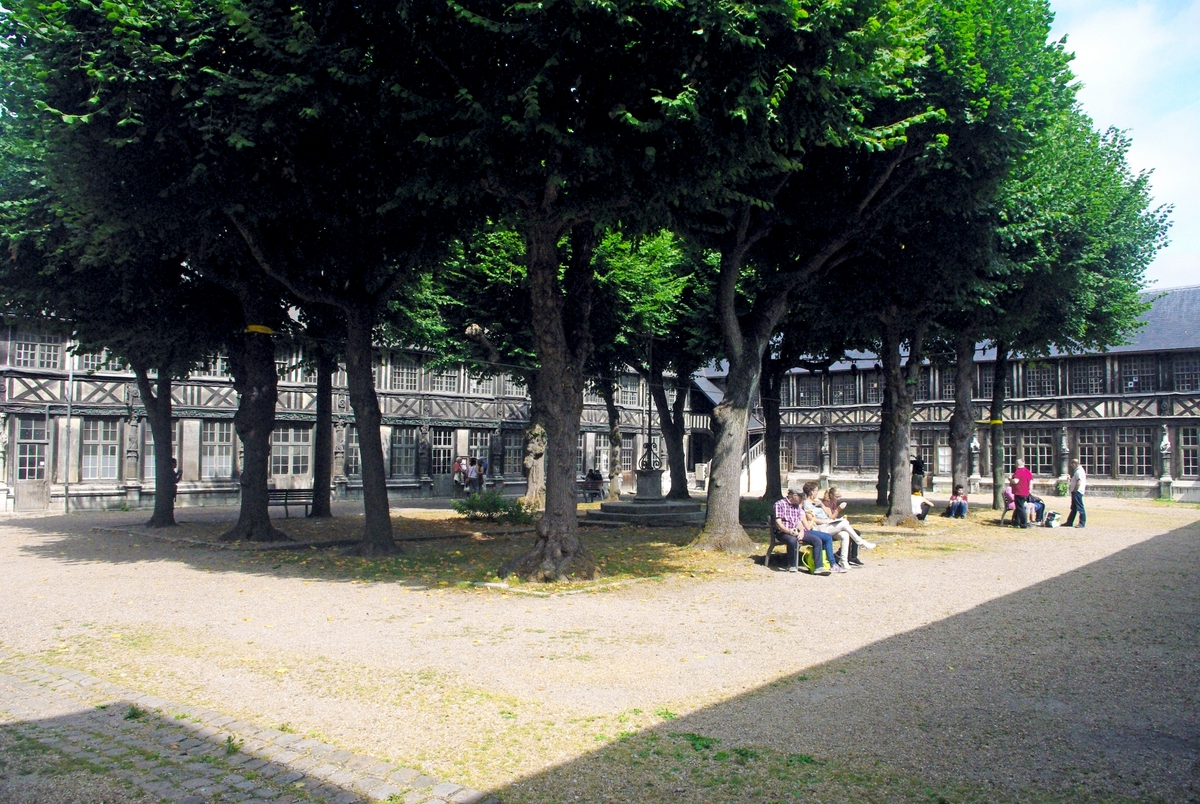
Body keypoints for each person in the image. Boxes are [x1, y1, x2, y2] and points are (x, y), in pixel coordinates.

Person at [803, 481, 874, 570]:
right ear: (811, 492)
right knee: (844, 523)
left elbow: (829, 515)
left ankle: (843, 561)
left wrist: (822, 505)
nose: (817, 492)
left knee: (845, 534)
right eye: (816, 490)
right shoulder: (806, 504)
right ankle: (861, 542)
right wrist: (826, 522)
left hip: (827, 525)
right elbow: (811, 519)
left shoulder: (818, 502)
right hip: (819, 528)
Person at [798, 491, 843, 574]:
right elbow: (808, 527)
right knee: (818, 539)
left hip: (807, 530)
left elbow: (829, 514)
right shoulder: (800, 511)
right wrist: (812, 519)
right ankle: (826, 564)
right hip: (805, 531)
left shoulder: (802, 510)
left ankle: (832, 563)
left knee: (828, 537)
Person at [771, 488, 807, 573]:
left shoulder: (797, 506)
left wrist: (801, 531)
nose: (802, 500)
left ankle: (818, 566)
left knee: (816, 539)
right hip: (782, 532)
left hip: (796, 531)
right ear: (794, 496)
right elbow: (778, 523)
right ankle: (792, 565)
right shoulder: (780, 504)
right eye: (801, 497)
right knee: (792, 540)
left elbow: (799, 522)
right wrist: (788, 531)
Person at [1010, 458, 1034, 528]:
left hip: (1019, 492)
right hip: (1025, 492)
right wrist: (1029, 491)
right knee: (1019, 507)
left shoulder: (1018, 471)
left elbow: (1016, 481)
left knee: (1020, 508)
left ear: (1017, 464)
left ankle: (1024, 523)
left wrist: (1010, 479)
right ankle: (1016, 522)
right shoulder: (1028, 471)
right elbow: (1031, 483)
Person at [1064, 458, 1087, 528]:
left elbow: (1079, 482)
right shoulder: (1078, 471)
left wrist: (1075, 490)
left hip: (1077, 492)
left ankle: (1082, 523)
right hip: (1076, 491)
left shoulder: (1079, 471)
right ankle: (1069, 522)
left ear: (1074, 464)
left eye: (1072, 465)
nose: (1072, 467)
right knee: (1073, 508)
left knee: (1080, 507)